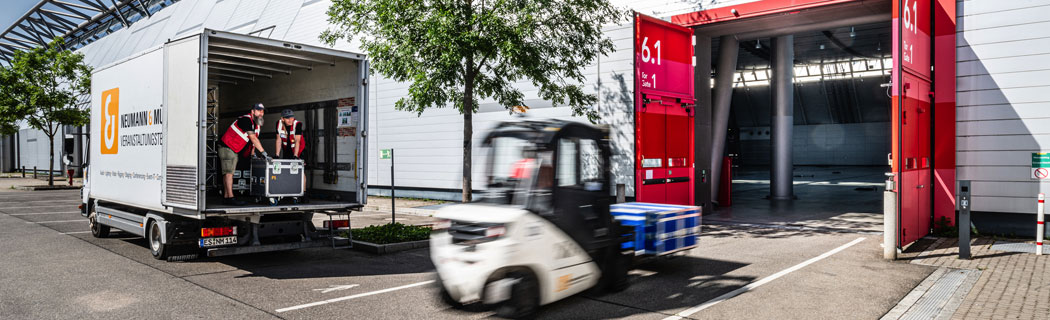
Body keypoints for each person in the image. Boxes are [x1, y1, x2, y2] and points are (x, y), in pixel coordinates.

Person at [219, 103, 270, 205]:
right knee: (229, 173)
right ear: (252, 111)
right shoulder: (246, 120)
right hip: (227, 147)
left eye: (262, 111)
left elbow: (253, 141)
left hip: (232, 149)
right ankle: (230, 198)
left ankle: (226, 197)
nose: (261, 113)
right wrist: (264, 153)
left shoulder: (256, 125)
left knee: (227, 172)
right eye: (259, 110)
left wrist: (252, 153)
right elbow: (252, 138)